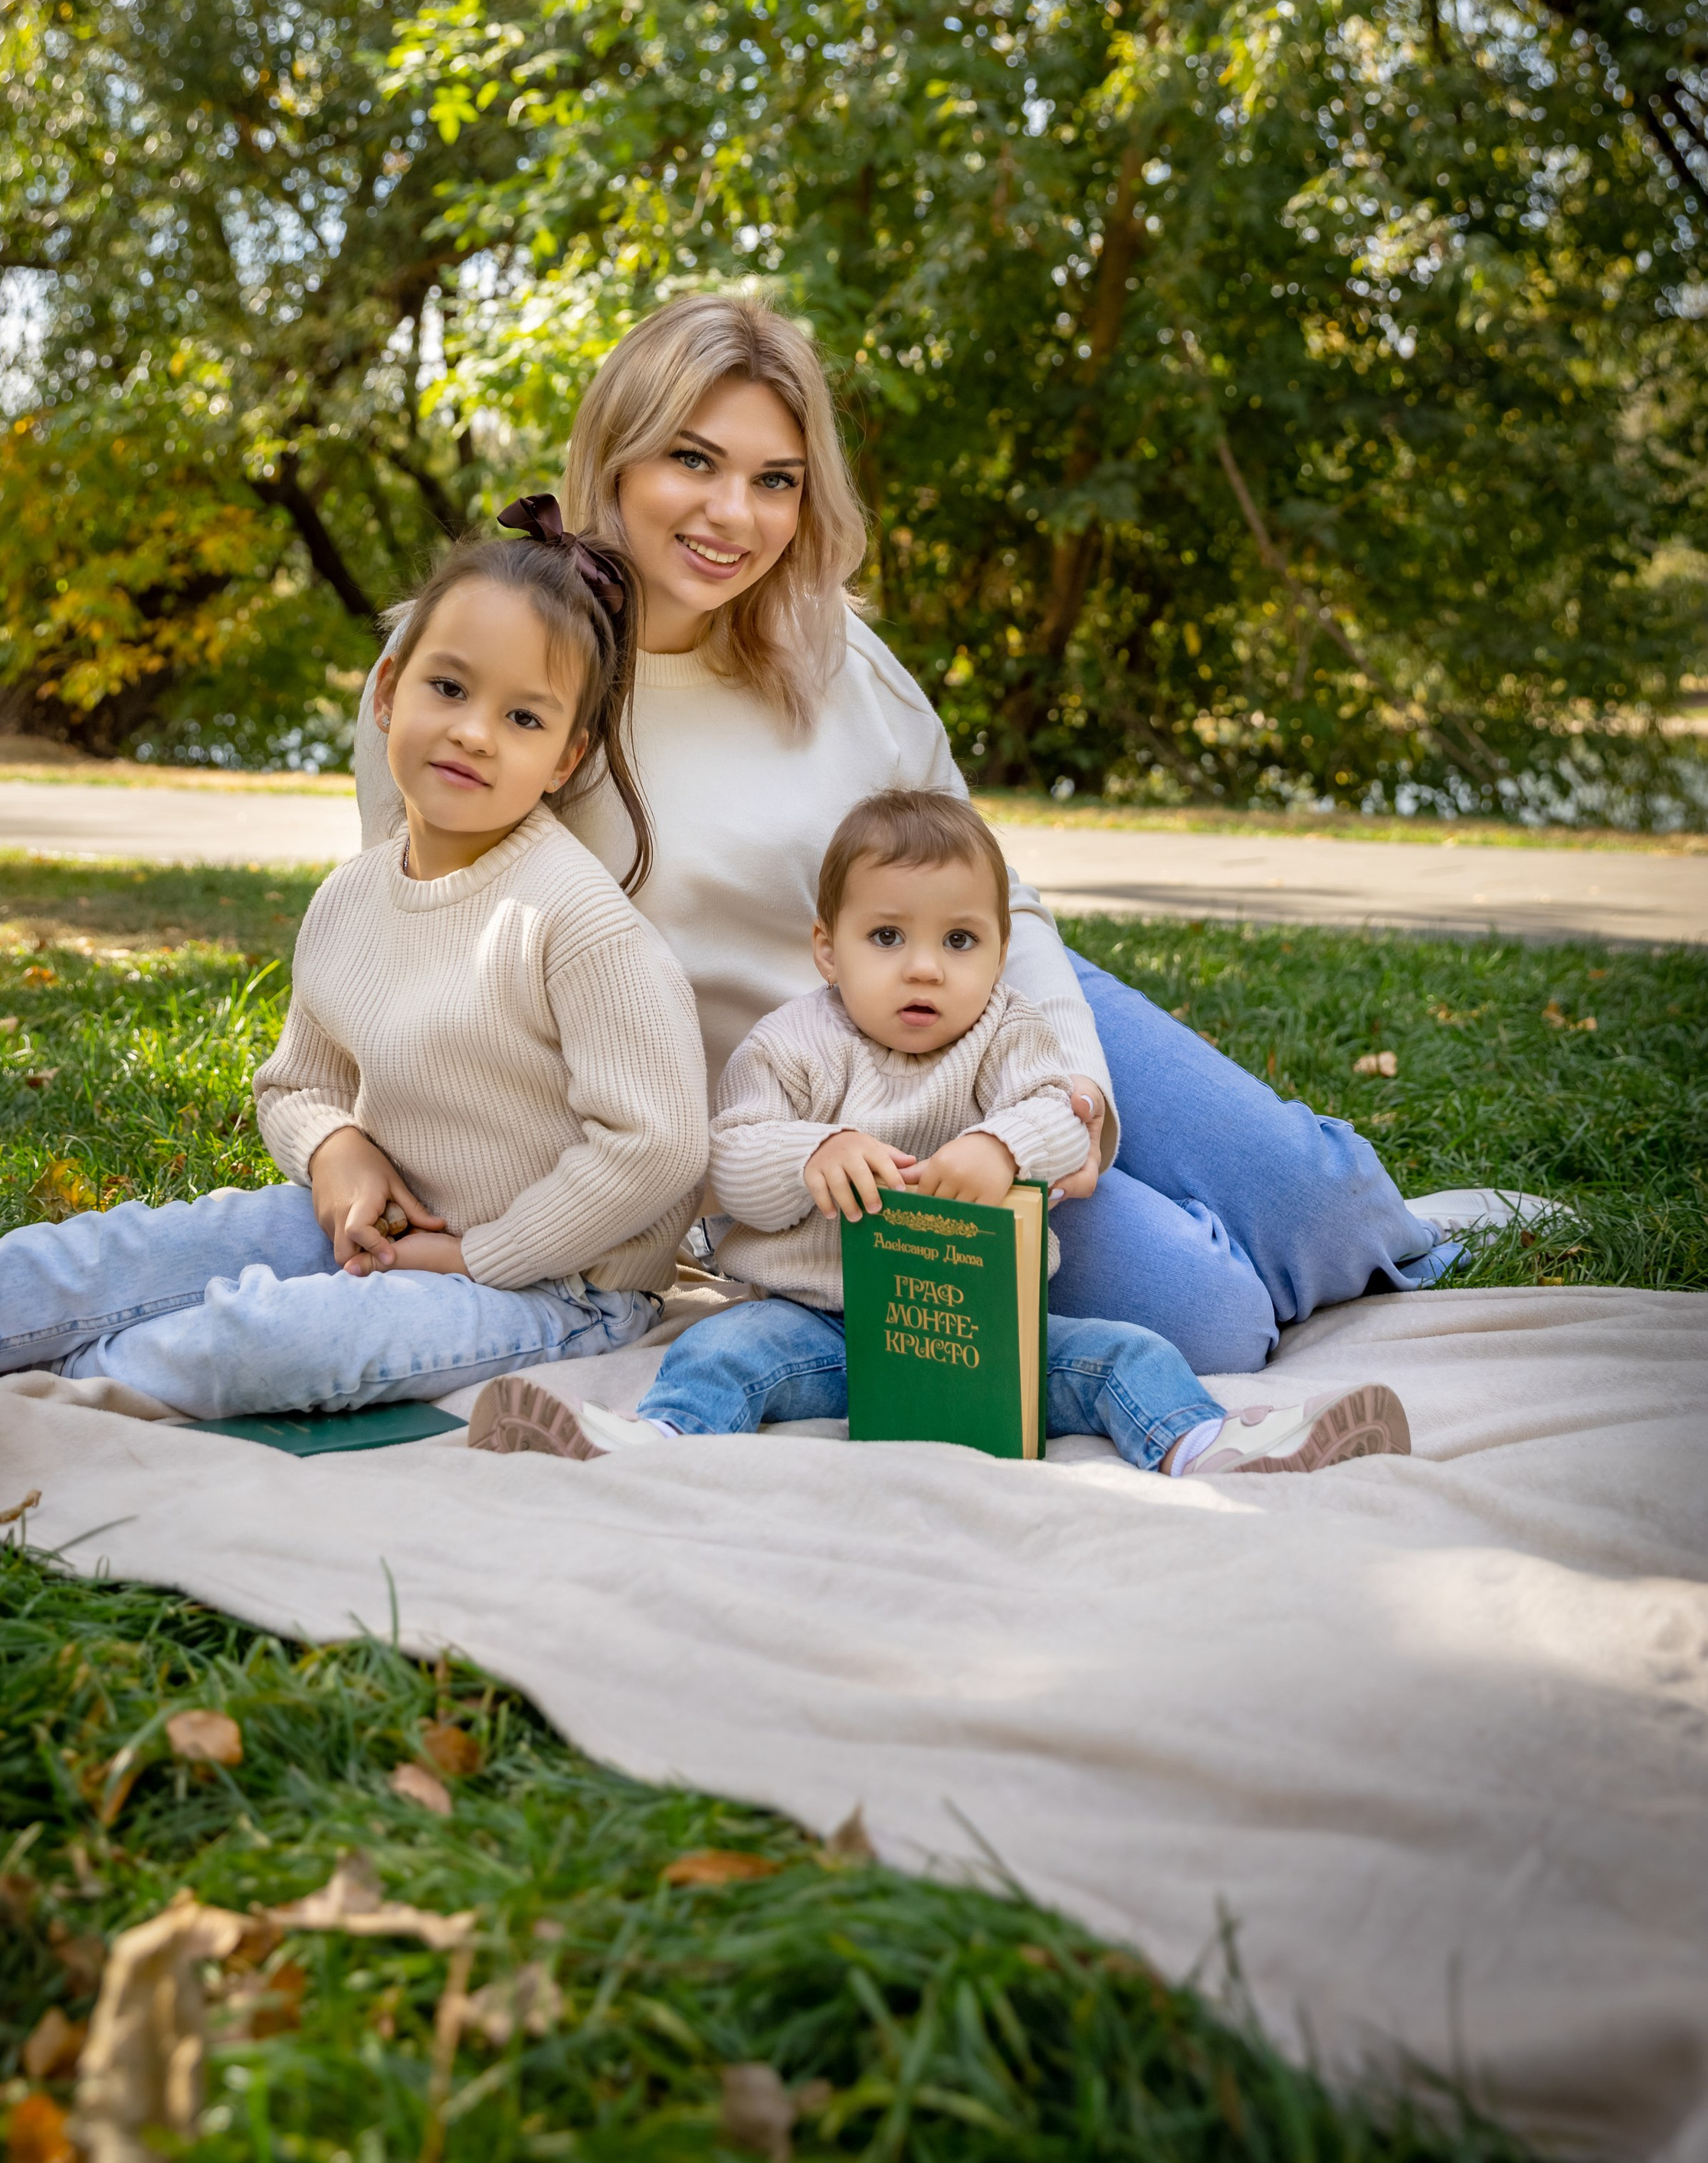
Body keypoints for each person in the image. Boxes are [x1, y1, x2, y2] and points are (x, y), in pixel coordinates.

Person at [352, 297, 1463, 1377]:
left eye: (774, 481)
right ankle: (1210, 1244)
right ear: (616, 458)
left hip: (983, 1003)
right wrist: (337, 1143)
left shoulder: (826, 646)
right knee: (1209, 1318)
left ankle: (1347, 1217)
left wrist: (1066, 1089)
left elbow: (998, 891)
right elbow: (413, 948)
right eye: (691, 460)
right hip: (819, 1117)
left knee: (1330, 1216)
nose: (732, 515)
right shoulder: (474, 668)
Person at [0, 506, 708, 1416]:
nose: (472, 731)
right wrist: (335, 1149)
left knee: (265, 1341)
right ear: (387, 693)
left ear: (568, 755)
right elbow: (296, 1084)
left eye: (524, 719)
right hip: (380, 1230)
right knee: (114, 1252)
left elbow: (658, 1144)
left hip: (557, 1287)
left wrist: (483, 1254)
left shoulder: (576, 921)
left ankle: (55, 1378)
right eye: (449, 688)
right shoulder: (350, 897)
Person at [465, 791, 1411, 1474]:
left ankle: (1213, 1443)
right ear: (827, 950)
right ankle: (653, 1441)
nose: (924, 970)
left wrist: (1001, 1149)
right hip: (820, 1326)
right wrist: (814, 1155)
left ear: (1001, 951)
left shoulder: (1007, 1033)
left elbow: (1057, 1114)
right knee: (719, 1351)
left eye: (959, 942)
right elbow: (733, 1157)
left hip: (984, 1331)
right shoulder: (795, 1042)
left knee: (1130, 1352)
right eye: (886, 939)